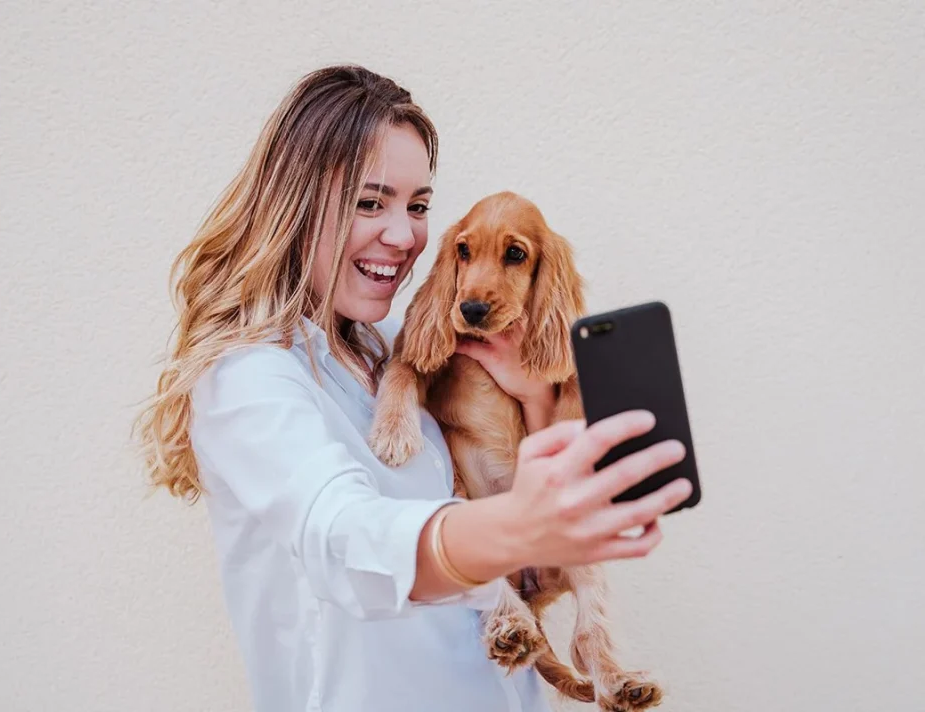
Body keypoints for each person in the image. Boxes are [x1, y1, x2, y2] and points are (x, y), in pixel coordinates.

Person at [133, 64, 692, 712]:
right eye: (370, 202)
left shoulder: (396, 342)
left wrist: (534, 395)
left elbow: (516, 449)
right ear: (297, 205)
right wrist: (513, 525)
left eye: (418, 205)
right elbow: (344, 538)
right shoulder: (248, 379)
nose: (403, 237)